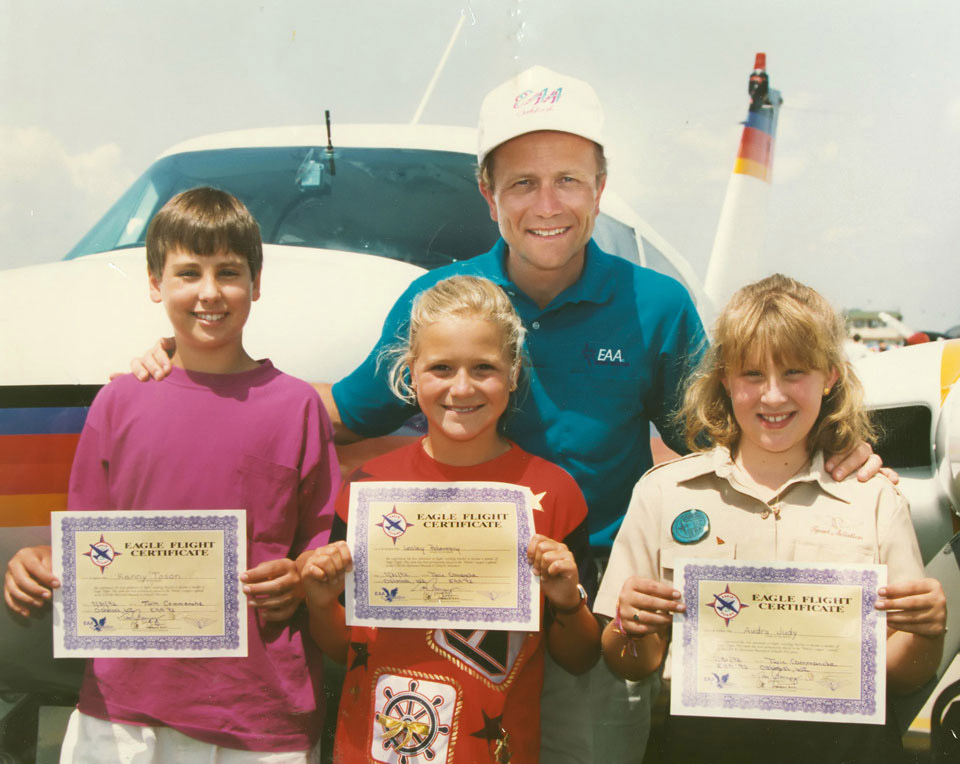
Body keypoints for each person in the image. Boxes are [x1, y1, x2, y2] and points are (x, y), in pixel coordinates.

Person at [130, 67, 887, 763]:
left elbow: (730, 437)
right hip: (435, 604)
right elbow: (338, 413)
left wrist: (836, 448)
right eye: (522, 183)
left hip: (582, 603)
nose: (547, 204)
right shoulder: (437, 302)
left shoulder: (657, 307)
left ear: (599, 188)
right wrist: (197, 367)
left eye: (568, 180)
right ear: (488, 195)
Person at [4, 187, 339, 762]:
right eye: (189, 273)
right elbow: (89, 540)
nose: (210, 292)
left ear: (256, 285)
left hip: (258, 714)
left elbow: (317, 547)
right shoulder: (118, 402)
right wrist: (38, 561)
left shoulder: (298, 407)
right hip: (122, 712)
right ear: (156, 283)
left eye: (229, 272)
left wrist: (300, 580)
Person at [596, 274, 946, 764]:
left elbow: (903, 673)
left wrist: (927, 631)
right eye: (753, 375)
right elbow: (630, 663)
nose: (774, 396)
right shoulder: (663, 494)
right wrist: (630, 628)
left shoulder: (876, 500)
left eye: (795, 373)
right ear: (723, 377)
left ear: (831, 376)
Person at [297, 275, 600, 763]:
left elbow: (580, 657)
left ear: (514, 372)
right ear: (411, 373)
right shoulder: (366, 490)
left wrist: (567, 601)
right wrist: (317, 600)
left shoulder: (555, 493)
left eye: (484, 368)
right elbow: (342, 649)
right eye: (441, 368)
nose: (462, 388)